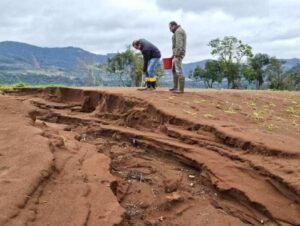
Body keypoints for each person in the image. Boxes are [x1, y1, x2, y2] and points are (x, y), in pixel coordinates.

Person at [169, 21, 187, 93]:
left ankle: (181, 90)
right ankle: (175, 87)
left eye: (170, 27)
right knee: (174, 70)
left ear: (173, 26)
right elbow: (176, 45)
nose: (169, 29)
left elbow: (179, 44)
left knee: (178, 70)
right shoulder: (177, 31)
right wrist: (173, 55)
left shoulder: (178, 31)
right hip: (176, 54)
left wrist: (176, 55)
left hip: (179, 54)